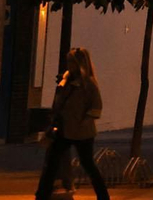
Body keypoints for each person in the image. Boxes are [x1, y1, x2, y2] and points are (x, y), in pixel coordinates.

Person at [35, 47, 111, 200]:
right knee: (51, 163)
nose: (68, 65)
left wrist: (84, 121)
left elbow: (96, 106)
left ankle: (103, 196)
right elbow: (59, 103)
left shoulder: (88, 84)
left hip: (82, 132)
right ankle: (42, 195)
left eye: (71, 62)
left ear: (80, 64)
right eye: (68, 61)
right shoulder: (66, 81)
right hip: (64, 129)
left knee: (88, 164)